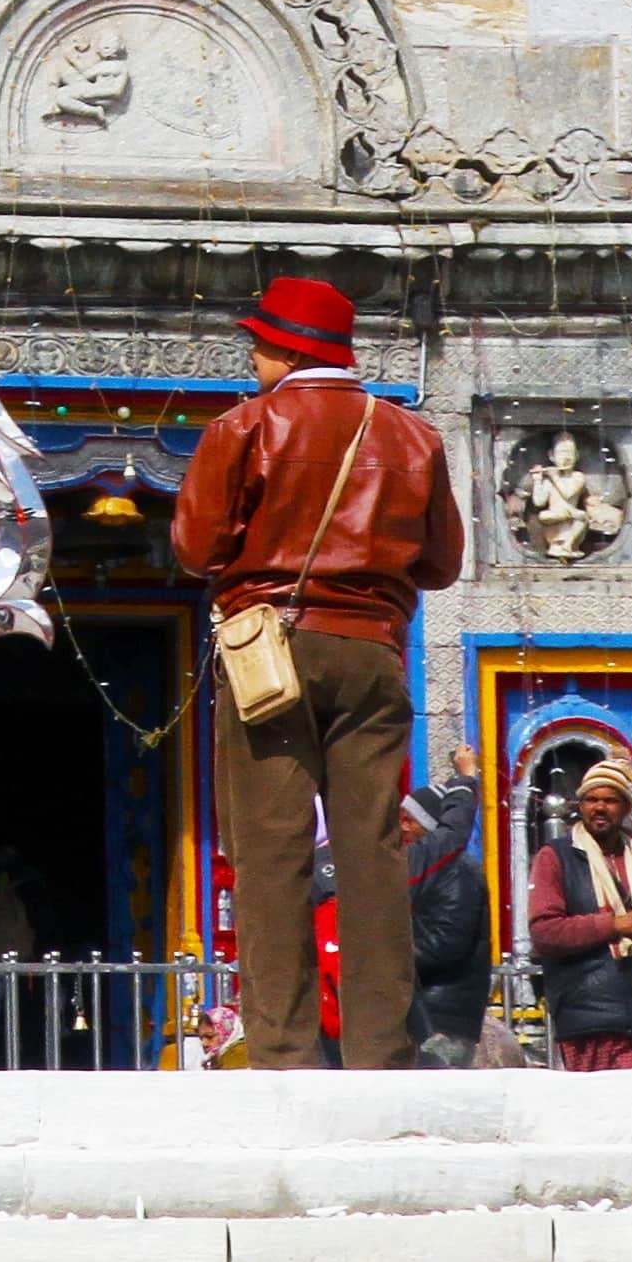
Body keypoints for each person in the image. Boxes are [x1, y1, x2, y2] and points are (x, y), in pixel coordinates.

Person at [172, 271, 463, 1074]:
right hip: (372, 649)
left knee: (272, 849)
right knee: (371, 849)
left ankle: (285, 1048)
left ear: (287, 349)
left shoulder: (245, 428)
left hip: (273, 649)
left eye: (261, 344)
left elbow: (196, 549)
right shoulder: (412, 435)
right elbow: (441, 564)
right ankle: (380, 1048)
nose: (254, 358)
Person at [523, 759, 632, 1071]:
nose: (599, 808)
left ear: (626, 806)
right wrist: (613, 925)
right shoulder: (556, 857)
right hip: (588, 1017)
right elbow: (545, 931)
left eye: (610, 800)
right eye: (591, 800)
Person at [402, 769, 490, 1066]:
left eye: (409, 819)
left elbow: (444, 945)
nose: (401, 827)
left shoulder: (458, 872)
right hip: (422, 1010)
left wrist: (384, 955)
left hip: (441, 1016)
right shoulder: (424, 870)